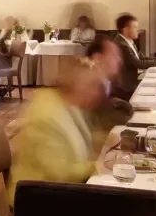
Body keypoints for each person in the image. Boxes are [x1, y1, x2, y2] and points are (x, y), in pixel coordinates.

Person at [6, 63, 104, 205]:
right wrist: (98, 166)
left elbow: (81, 140)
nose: (98, 93)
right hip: (37, 201)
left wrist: (107, 140)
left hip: (59, 190)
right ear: (77, 86)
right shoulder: (46, 116)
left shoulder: (69, 103)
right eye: (93, 86)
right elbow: (60, 173)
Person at [111, 13, 156, 102]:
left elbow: (142, 58)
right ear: (126, 29)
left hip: (132, 81)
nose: (138, 30)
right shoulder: (122, 45)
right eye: (135, 27)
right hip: (125, 87)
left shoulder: (128, 41)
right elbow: (139, 63)